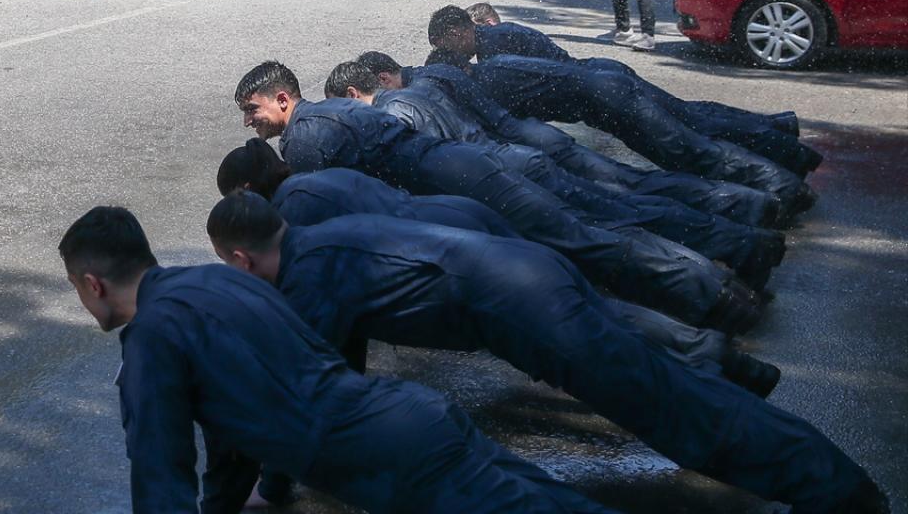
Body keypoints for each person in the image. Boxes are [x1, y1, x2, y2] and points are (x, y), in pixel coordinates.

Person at [207, 192, 890, 514]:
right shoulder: (321, 243)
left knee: (672, 407)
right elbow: (337, 369)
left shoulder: (306, 278)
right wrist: (278, 484)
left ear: (240, 258)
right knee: (667, 392)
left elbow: (287, 395)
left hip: (522, 306)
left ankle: (838, 493)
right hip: (526, 273)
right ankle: (827, 483)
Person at [60, 205, 618, 514]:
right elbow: (230, 439)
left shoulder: (152, 337)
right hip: (415, 419)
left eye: (77, 291)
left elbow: (161, 473)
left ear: (92, 284)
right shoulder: (218, 281)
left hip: (393, 461)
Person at [216, 138, 782, 395]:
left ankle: (704, 356)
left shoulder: (293, 214)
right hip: (458, 219)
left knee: (580, 322)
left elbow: (330, 322)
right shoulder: (316, 179)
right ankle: (710, 348)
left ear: (247, 190)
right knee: (587, 296)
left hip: (454, 246)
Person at [234, 61, 765, 333]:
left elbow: (322, 218)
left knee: (581, 239)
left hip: (460, 180)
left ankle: (719, 292)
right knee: (587, 226)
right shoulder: (334, 113)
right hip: (467, 169)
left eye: (252, 109)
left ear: (283, 98)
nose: (248, 122)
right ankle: (735, 261)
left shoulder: (304, 137)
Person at [325, 60, 784, 287]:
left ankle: (738, 242)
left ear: (356, 90)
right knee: (627, 200)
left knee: (617, 218)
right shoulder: (431, 81)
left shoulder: (396, 110)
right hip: (524, 153)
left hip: (512, 171)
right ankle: (744, 222)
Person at [355, 49, 784, 229]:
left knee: (627, 196)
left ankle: (753, 201)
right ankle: (758, 189)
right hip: (545, 133)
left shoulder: (410, 97)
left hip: (530, 150)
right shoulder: (446, 74)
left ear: (381, 78)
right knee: (635, 180)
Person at [446, 3, 823, 175]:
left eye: (449, 44)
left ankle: (786, 154)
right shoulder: (499, 38)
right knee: (689, 116)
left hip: (602, 91)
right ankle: (777, 126)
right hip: (603, 76)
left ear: (460, 32)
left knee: (686, 138)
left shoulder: (491, 50)